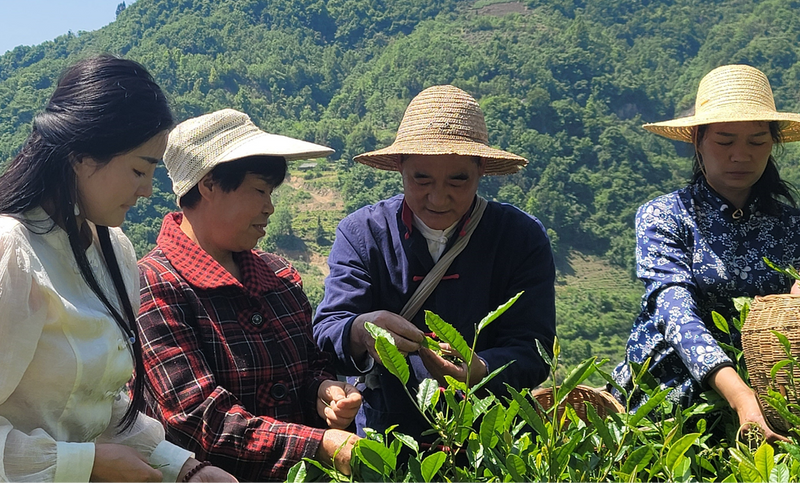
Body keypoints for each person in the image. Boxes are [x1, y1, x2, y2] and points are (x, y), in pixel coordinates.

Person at [0, 55, 236, 483]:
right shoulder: (13, 251)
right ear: (81, 157)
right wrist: (83, 464)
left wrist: (186, 469)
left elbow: (97, 405)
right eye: (139, 169)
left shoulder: (112, 249)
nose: (147, 190)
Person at [312, 84, 557, 439]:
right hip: (388, 439)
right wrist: (362, 330)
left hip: (489, 441)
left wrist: (481, 369)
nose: (438, 198)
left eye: (458, 180)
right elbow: (328, 330)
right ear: (400, 167)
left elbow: (534, 348)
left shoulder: (520, 237)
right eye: (421, 179)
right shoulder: (363, 233)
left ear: (480, 170)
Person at [136, 109, 362, 483]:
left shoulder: (280, 277)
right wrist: (320, 445)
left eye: (270, 193)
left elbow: (310, 364)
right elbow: (198, 418)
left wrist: (323, 391)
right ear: (209, 185)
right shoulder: (153, 285)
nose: (269, 207)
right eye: (259, 191)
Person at [611, 64, 800, 442]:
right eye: (725, 142)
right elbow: (675, 312)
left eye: (757, 142)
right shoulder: (665, 216)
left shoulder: (792, 225)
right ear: (697, 141)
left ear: (773, 144)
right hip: (669, 395)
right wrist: (742, 398)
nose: (741, 156)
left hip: (772, 392)